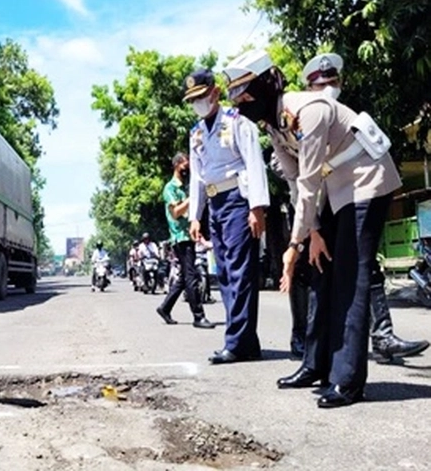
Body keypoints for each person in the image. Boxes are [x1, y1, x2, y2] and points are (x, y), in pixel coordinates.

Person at [223, 49, 402, 408]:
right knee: (320, 271)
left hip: (367, 183)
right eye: (235, 95)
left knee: (350, 278)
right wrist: (314, 234)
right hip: (335, 192)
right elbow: (293, 183)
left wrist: (292, 245)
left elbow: (308, 182)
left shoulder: (309, 111)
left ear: (269, 84)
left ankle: (348, 380)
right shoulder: (275, 125)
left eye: (245, 91)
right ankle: (315, 364)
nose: (240, 101)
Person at [284, 53, 427, 361]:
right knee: (314, 273)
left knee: (362, 265)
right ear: (307, 89)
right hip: (309, 207)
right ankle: (308, 345)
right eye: (320, 84)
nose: (328, 88)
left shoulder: (340, 118)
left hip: (344, 198)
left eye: (333, 82)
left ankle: (381, 335)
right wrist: (310, 230)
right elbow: (299, 181)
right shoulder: (297, 121)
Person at [183, 68, 270, 364]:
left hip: (238, 200)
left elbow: (254, 163)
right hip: (214, 202)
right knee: (224, 273)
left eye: (202, 97)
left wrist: (257, 207)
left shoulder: (238, 123)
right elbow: (197, 176)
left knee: (240, 272)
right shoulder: (196, 134)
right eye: (193, 100)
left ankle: (236, 341)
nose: (198, 103)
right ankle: (246, 342)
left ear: (216, 93)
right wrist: (195, 216)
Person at [155, 152, 215, 328]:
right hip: (179, 237)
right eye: (186, 164)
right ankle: (198, 316)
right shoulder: (170, 188)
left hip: (188, 235)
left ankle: (165, 308)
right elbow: (175, 213)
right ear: (177, 165)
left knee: (183, 277)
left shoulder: (185, 187)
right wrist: (192, 198)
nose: (188, 168)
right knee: (191, 276)